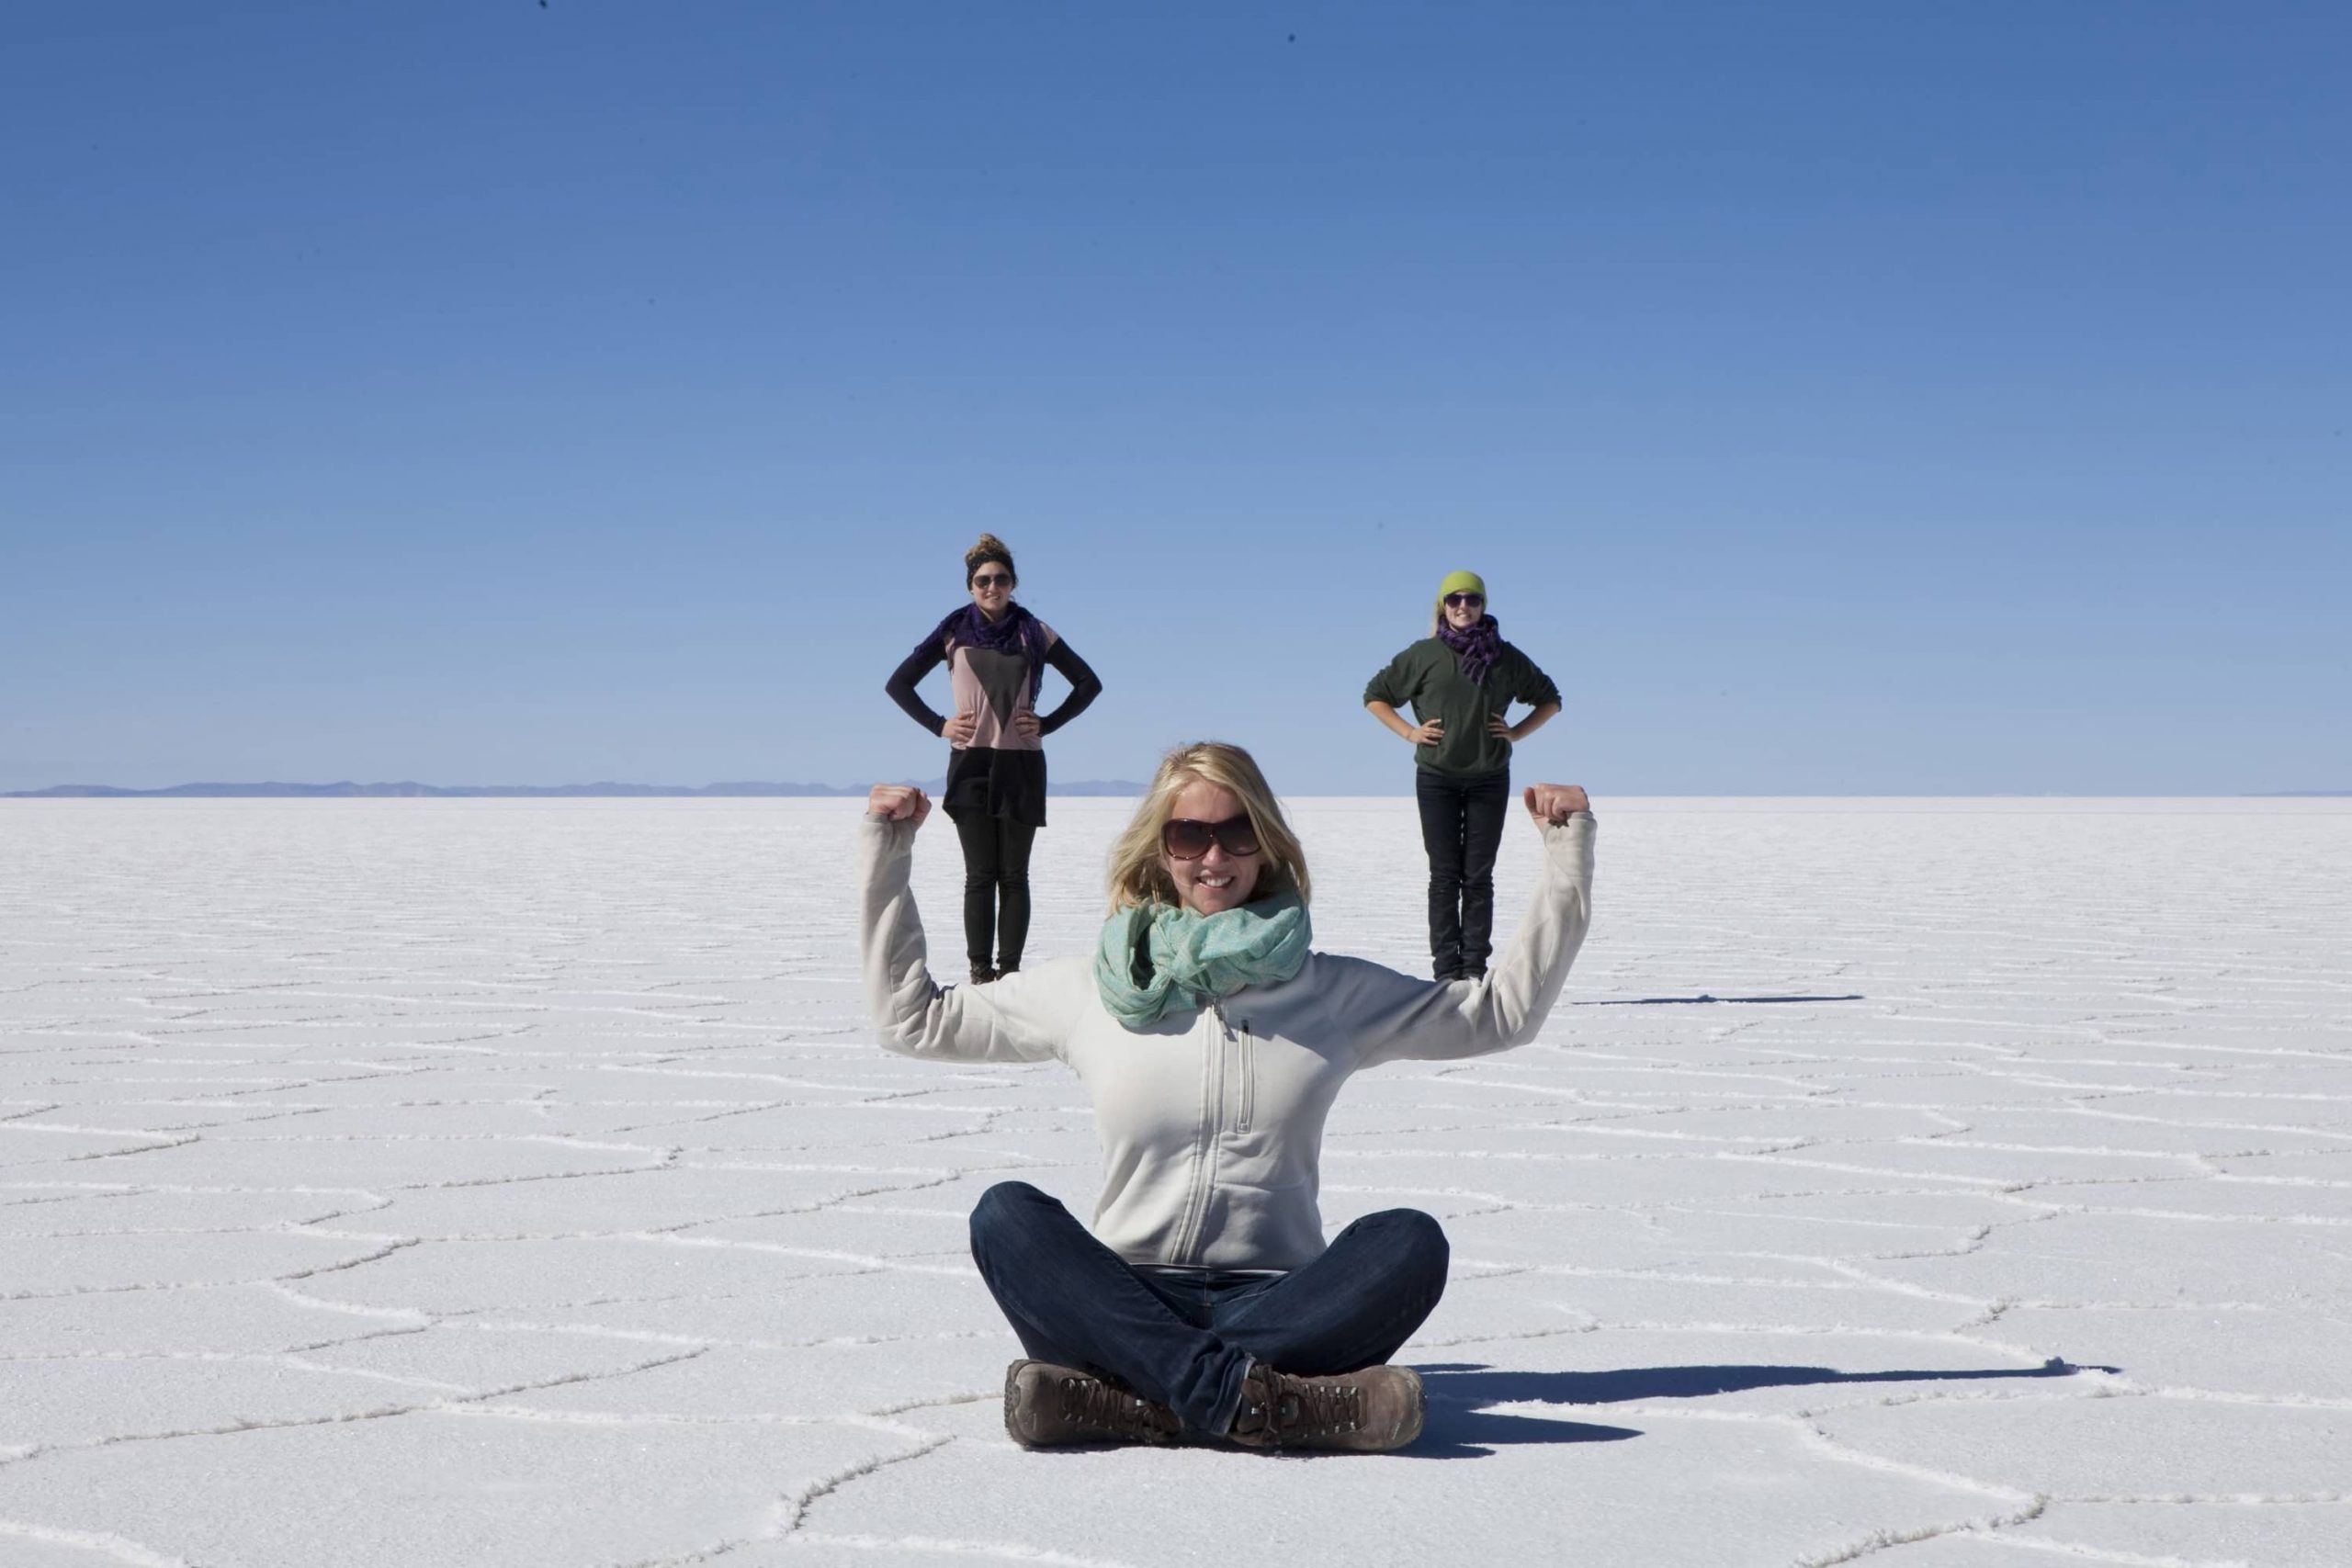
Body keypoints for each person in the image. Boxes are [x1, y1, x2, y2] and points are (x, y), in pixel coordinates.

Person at [861, 740, 1595, 1451]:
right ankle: (1263, 1401)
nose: (1214, 856)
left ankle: (1144, 1400)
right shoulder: (1088, 988)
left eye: (1237, 832)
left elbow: (1500, 1015)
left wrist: (1565, 856)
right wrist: (888, 854)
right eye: (1190, 834)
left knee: (1409, 1241)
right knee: (1007, 1216)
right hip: (1121, 1302)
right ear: (1160, 849)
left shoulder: (1327, 991)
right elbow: (913, 1020)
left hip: (1282, 1303)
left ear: (1266, 844)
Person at [885, 534, 1102, 986]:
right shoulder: (953, 630)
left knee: (1015, 875)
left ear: (1013, 583)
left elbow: (1087, 683)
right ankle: (981, 973)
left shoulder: (1034, 631)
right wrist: (938, 724)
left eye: (1001, 579)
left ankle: (1011, 975)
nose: (992, 587)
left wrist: (1047, 723)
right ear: (970, 585)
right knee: (980, 875)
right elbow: (899, 683)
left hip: (1021, 763)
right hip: (970, 764)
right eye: (983, 580)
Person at [1363, 570, 1563, 982]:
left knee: (1477, 876)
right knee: (1443, 874)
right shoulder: (1423, 655)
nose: (1462, 607)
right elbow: (1375, 695)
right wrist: (1410, 733)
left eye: (1471, 599)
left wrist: (1516, 733)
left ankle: (1473, 968)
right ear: (1442, 606)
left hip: (1489, 778)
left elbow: (1549, 699)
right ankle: (1445, 972)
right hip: (1436, 778)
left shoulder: (1504, 657)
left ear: (1483, 605)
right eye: (1453, 600)